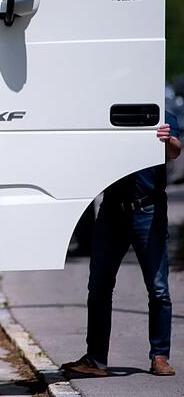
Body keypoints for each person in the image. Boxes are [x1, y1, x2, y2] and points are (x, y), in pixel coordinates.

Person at [62, 110, 181, 377]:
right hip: (111, 211)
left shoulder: (159, 109)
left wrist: (167, 140)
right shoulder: (108, 107)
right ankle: (96, 360)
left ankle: (160, 356)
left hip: (148, 210)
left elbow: (175, 150)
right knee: (99, 287)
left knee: (158, 289)